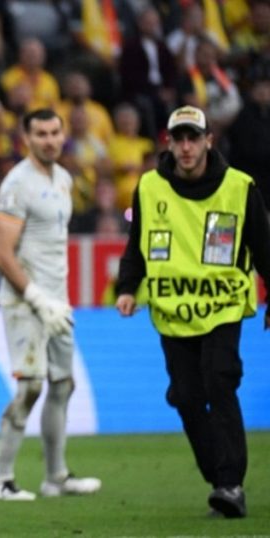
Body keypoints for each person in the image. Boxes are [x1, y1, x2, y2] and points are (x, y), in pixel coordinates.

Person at [115, 106, 270, 519]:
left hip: (222, 308)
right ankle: (218, 477)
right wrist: (127, 288)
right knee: (186, 396)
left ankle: (230, 483)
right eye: (178, 139)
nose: (186, 147)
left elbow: (263, 244)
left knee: (220, 383)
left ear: (208, 141)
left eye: (193, 138)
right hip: (172, 312)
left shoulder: (240, 187)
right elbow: (137, 245)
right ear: (168, 142)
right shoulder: (149, 188)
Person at [0, 109, 101, 501]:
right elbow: (6, 253)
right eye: (40, 133)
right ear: (26, 138)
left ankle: (56, 477)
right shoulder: (17, 184)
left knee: (63, 383)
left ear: (63, 135)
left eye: (55, 132)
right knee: (31, 387)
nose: (49, 140)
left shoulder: (63, 179)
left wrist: (53, 298)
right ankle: (1, 480)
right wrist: (37, 297)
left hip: (57, 302)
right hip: (26, 302)